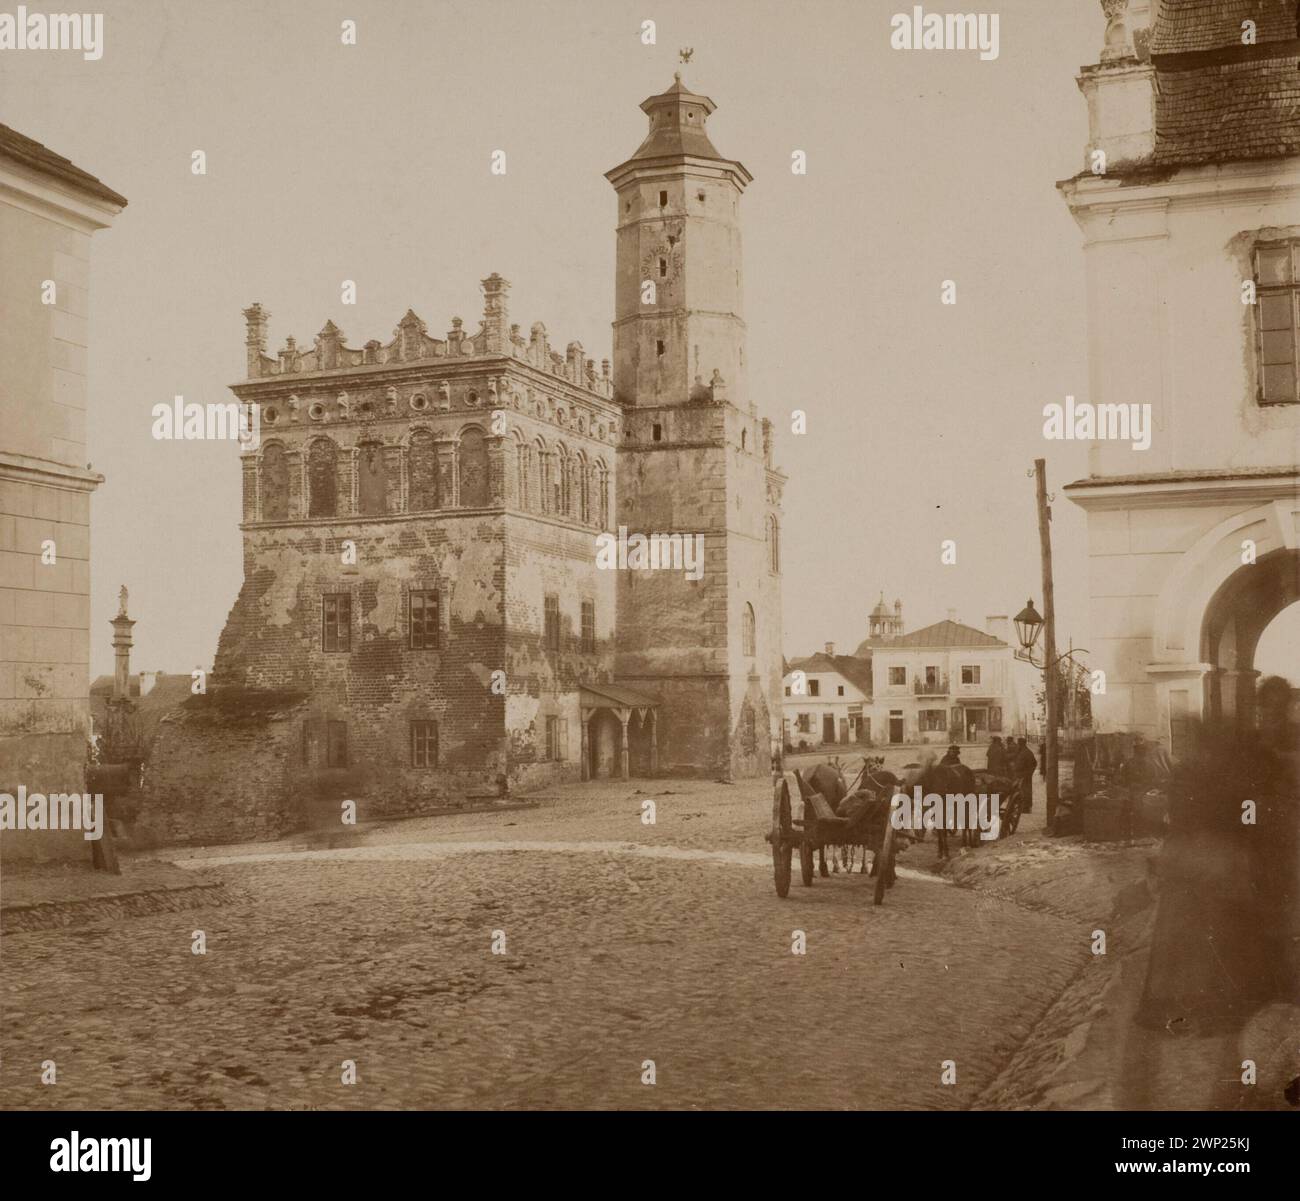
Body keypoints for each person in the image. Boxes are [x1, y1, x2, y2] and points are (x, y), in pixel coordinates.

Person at [1015, 737, 1037, 812]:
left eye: (1018, 743)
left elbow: (1034, 763)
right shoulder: (1023, 751)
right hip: (1022, 775)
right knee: (1022, 791)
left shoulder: (1027, 752)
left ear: (1021, 744)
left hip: (1024, 775)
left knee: (1025, 791)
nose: (1017, 745)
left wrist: (1029, 773)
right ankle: (1024, 806)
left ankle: (1026, 807)